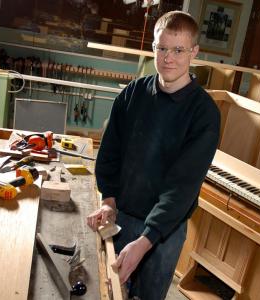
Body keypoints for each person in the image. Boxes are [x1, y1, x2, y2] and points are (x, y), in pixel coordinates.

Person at [87, 10, 220, 300]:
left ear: (194, 52)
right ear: (153, 48)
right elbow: (109, 153)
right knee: (106, 291)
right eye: (162, 48)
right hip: (120, 215)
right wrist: (108, 201)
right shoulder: (133, 93)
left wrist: (145, 241)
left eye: (178, 50)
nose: (168, 58)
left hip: (164, 231)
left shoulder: (204, 114)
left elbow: (181, 188)